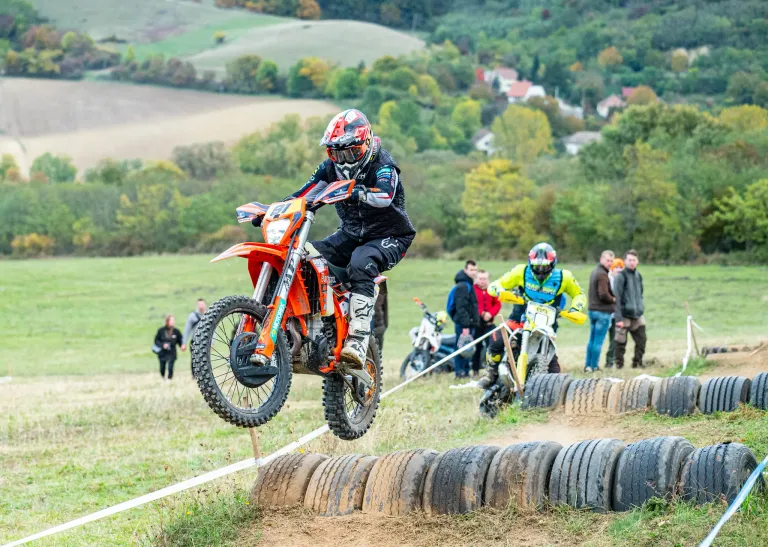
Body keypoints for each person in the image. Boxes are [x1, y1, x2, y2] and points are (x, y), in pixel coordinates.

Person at [257, 109, 415, 368]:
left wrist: (357, 192)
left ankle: (358, 338)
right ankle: (304, 325)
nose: (343, 159)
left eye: (350, 152)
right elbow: (304, 194)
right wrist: (271, 211)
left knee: (361, 262)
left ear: (365, 143)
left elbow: (385, 196)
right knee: (304, 258)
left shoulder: (383, 164)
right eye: (336, 153)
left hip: (390, 235)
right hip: (351, 233)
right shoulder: (330, 168)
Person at [478, 243, 586, 389]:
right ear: (530, 263)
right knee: (497, 337)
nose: (541, 271)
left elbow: (579, 294)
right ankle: (491, 372)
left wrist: (575, 309)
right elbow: (495, 285)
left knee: (552, 363)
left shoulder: (563, 277)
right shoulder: (520, 271)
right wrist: (501, 292)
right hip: (520, 317)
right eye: (537, 266)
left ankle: (553, 389)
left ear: (553, 264)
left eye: (545, 267)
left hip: (546, 323)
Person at [584, 250, 616, 372]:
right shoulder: (602, 274)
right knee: (598, 341)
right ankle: (593, 366)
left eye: (611, 261)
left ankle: (588, 365)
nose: (609, 263)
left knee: (592, 339)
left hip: (592, 310)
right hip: (602, 311)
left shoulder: (595, 271)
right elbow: (603, 294)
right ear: (601, 259)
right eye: (608, 260)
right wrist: (613, 299)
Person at [613, 250, 646, 369]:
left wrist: (640, 307)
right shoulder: (620, 277)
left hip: (638, 314)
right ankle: (619, 365)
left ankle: (637, 363)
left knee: (642, 340)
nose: (632, 262)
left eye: (634, 260)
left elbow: (640, 293)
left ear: (637, 261)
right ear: (625, 261)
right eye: (629, 260)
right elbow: (616, 298)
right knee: (620, 342)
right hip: (624, 314)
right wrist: (618, 318)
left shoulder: (638, 276)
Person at [450, 260, 479, 378]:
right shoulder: (463, 285)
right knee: (461, 347)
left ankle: (465, 371)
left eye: (475, 270)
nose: (473, 272)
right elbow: (461, 307)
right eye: (471, 270)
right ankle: (460, 372)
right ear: (465, 270)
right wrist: (465, 326)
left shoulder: (468, 283)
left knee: (467, 348)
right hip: (464, 324)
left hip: (468, 322)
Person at [472, 269, 501, 376]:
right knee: (477, 347)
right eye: (480, 279)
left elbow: (497, 304)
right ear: (476, 279)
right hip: (477, 324)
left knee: (494, 345)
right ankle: (475, 369)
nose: (483, 281)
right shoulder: (473, 290)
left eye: (485, 279)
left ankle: (493, 369)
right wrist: (482, 313)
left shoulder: (491, 290)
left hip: (489, 323)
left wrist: (490, 313)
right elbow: (473, 304)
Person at [605, 258, 624, 368]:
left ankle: (610, 362)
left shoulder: (622, 280)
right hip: (607, 313)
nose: (619, 269)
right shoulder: (608, 279)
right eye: (616, 267)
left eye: (621, 267)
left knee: (614, 340)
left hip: (616, 315)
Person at [154, 315, 183, 381]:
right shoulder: (161, 330)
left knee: (170, 367)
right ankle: (163, 377)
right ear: (167, 321)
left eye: (173, 320)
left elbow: (180, 341)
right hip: (162, 352)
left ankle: (169, 379)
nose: (173, 322)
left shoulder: (176, 331)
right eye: (171, 320)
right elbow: (156, 341)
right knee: (162, 368)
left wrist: (182, 346)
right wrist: (162, 345)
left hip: (172, 352)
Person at [183, 298, 207, 375]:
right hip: (195, 340)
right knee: (194, 358)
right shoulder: (192, 316)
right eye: (199, 304)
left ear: (205, 305)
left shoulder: (209, 315)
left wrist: (212, 342)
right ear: (197, 305)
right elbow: (187, 329)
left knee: (205, 358)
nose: (201, 306)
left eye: (202, 304)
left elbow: (215, 329)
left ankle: (205, 374)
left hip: (206, 341)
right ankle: (194, 375)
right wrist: (184, 343)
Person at [373, 280, 388, 351]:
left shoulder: (382, 280)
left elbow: (385, 304)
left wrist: (385, 325)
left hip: (378, 326)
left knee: (378, 355)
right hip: (364, 327)